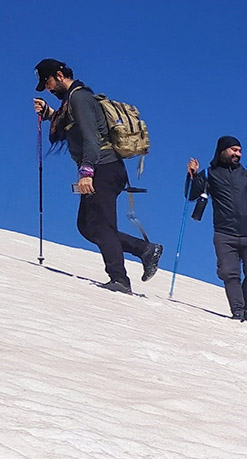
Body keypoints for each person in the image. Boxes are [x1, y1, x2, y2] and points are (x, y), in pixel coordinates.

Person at [32, 58, 162, 294]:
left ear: (60, 75)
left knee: (101, 226)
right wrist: (51, 114)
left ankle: (119, 280)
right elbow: (72, 130)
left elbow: (92, 137)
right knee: (87, 226)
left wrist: (87, 171)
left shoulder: (80, 98)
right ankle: (144, 249)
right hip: (101, 167)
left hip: (103, 167)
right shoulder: (70, 103)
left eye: (48, 81)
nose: (48, 87)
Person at [187, 136, 247, 324]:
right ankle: (238, 313)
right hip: (224, 233)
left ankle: (245, 306)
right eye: (234, 150)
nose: (238, 154)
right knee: (229, 273)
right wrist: (191, 175)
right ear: (222, 150)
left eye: (240, 151)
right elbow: (191, 195)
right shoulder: (209, 174)